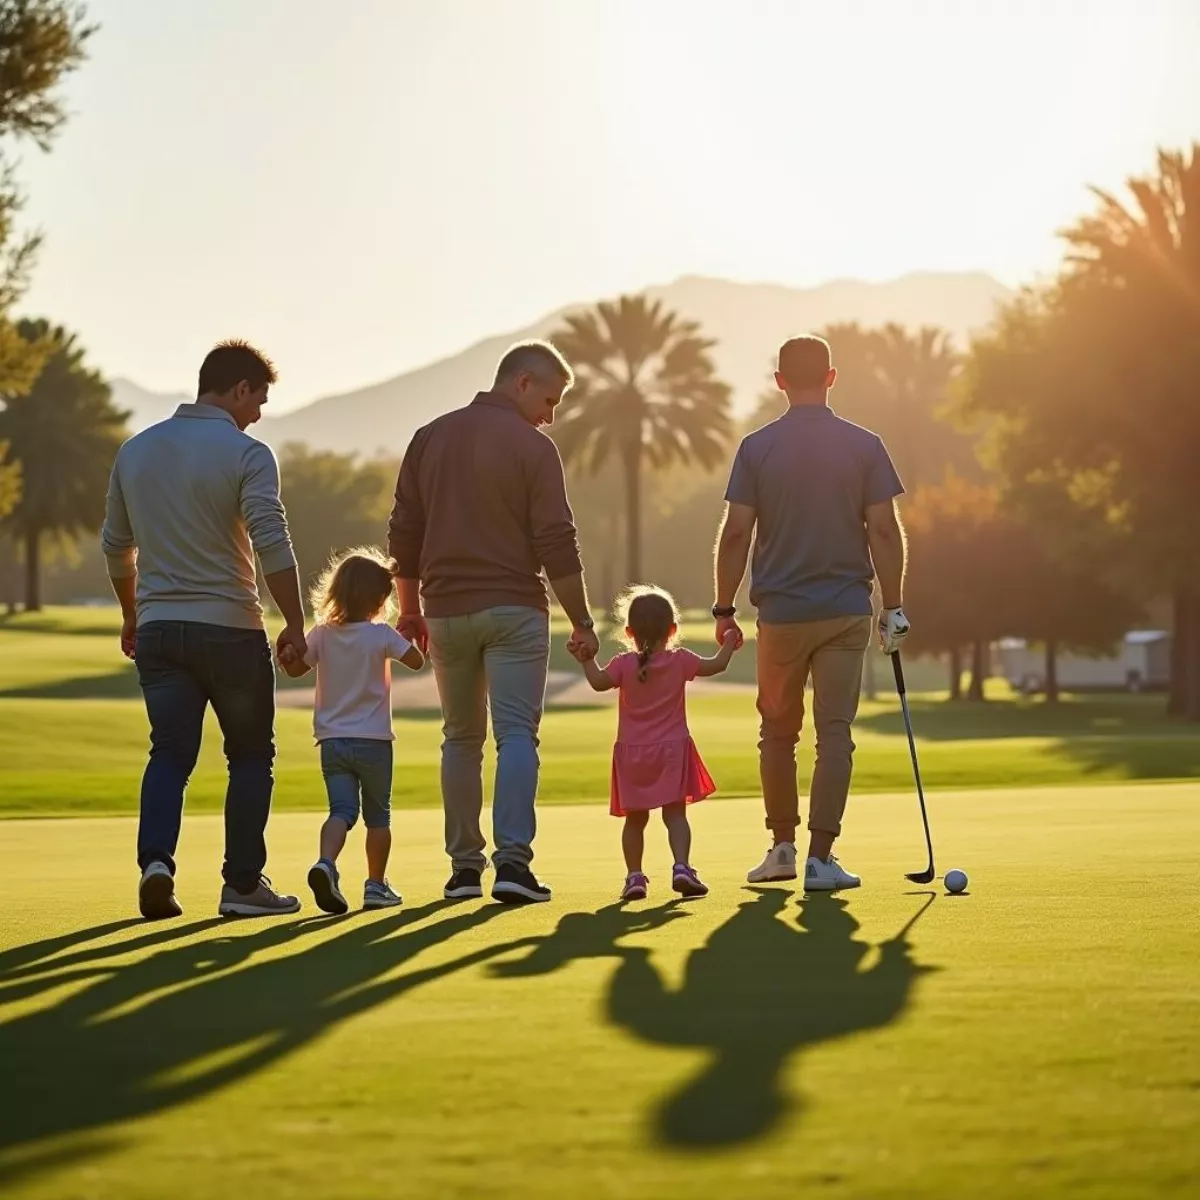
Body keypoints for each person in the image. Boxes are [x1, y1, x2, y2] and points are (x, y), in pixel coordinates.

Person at [101, 340, 307, 920]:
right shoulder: (248, 452)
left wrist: (131, 613)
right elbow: (271, 538)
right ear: (239, 389)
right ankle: (242, 885)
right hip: (230, 629)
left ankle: (156, 864)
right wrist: (294, 621)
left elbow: (117, 545)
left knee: (169, 753)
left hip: (161, 631)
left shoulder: (135, 451)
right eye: (259, 399)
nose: (259, 413)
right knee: (248, 756)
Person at [387, 340, 599, 905]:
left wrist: (409, 609)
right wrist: (581, 619)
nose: (549, 417)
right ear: (522, 382)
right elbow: (557, 540)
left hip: (445, 611)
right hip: (513, 609)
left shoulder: (430, 436)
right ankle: (512, 864)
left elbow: (403, 534)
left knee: (460, 738)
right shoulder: (533, 448)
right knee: (515, 736)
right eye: (549, 401)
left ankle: (463, 871)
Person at [712, 334, 911, 891]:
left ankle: (781, 848)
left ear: (779, 381)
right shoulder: (865, 445)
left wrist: (724, 607)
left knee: (777, 734)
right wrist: (893, 607)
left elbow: (735, 535)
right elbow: (882, 529)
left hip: (780, 615)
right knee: (835, 734)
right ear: (831, 377)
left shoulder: (757, 447)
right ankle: (821, 860)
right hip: (845, 611)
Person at [279, 547, 425, 914]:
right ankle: (376, 885)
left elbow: (297, 669)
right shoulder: (381, 635)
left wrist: (285, 659)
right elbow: (417, 660)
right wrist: (410, 636)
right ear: (378, 599)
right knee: (378, 817)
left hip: (332, 741)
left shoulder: (324, 634)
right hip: (374, 741)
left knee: (341, 810)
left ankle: (325, 863)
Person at [576, 586, 738, 902]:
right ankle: (681, 867)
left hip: (632, 755)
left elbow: (597, 682)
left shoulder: (623, 665)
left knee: (635, 820)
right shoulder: (680, 661)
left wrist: (586, 659)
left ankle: (635, 876)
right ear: (673, 629)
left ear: (629, 631)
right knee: (676, 815)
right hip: (672, 750)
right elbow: (716, 665)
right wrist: (730, 642)